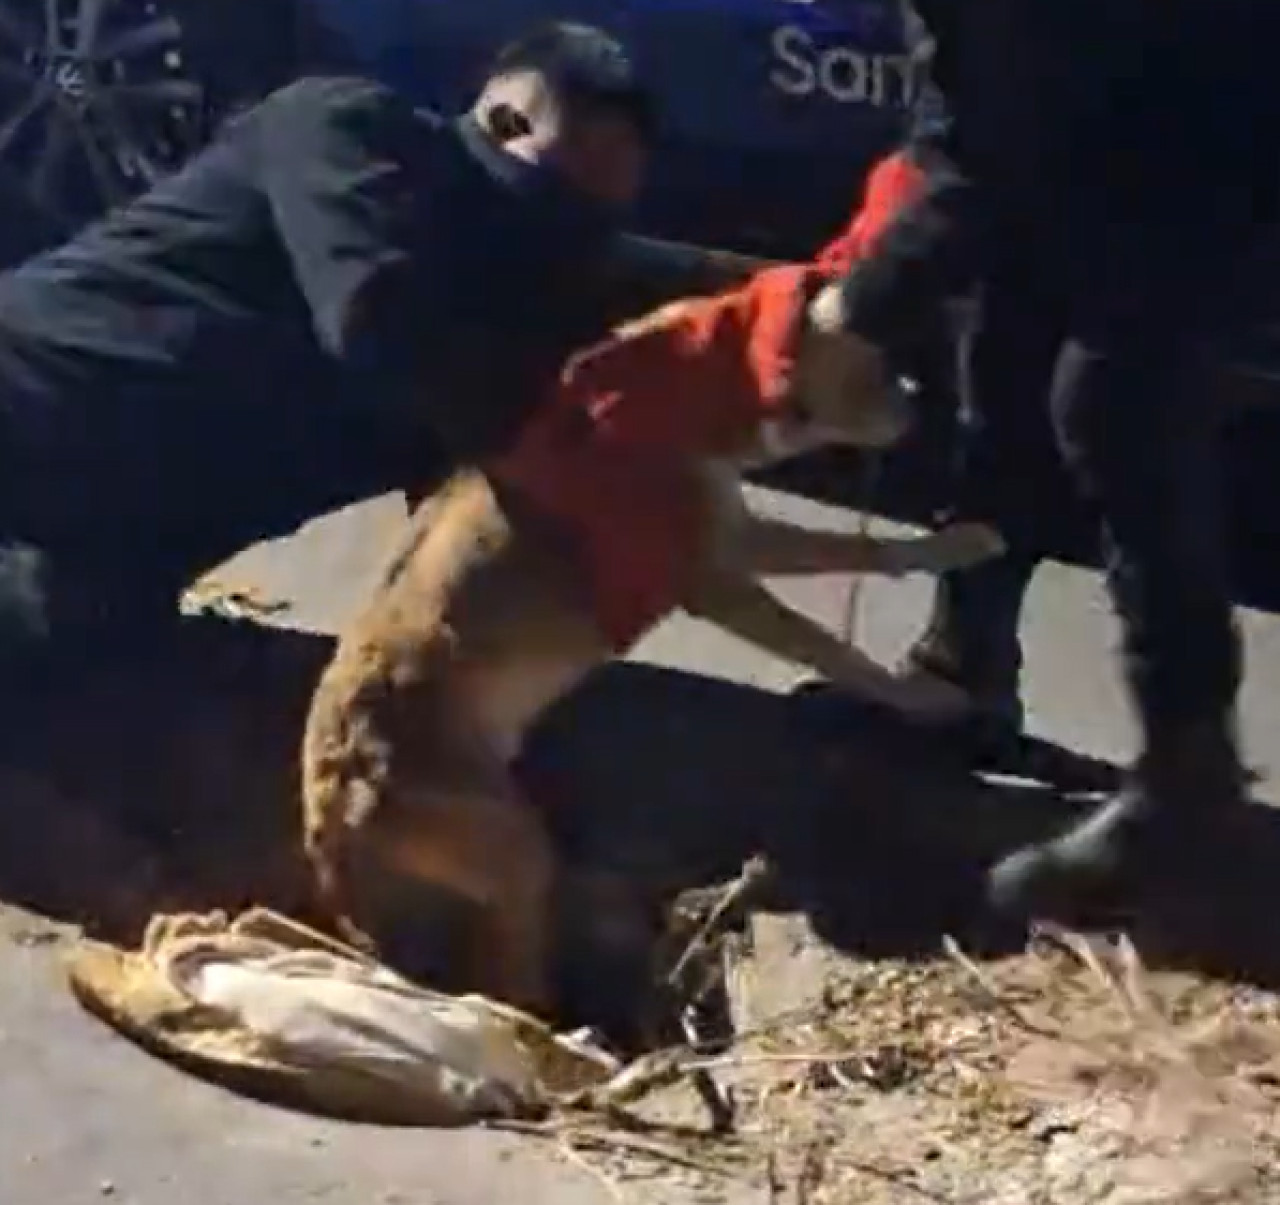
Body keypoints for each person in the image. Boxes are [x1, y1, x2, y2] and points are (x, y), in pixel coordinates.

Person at [0, 21, 682, 698]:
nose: (559, 237)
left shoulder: (492, 303)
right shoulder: (347, 128)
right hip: (26, 400)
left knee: (75, 671)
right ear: (503, 121)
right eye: (556, 202)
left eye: (590, 222)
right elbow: (377, 322)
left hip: (99, 544)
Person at [816, 0, 1280, 919]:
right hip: (1094, 138)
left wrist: (854, 312)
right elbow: (972, 116)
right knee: (1001, 357)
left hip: (1214, 147)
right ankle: (965, 671)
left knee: (1116, 409)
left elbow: (986, 157)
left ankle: (1187, 784)